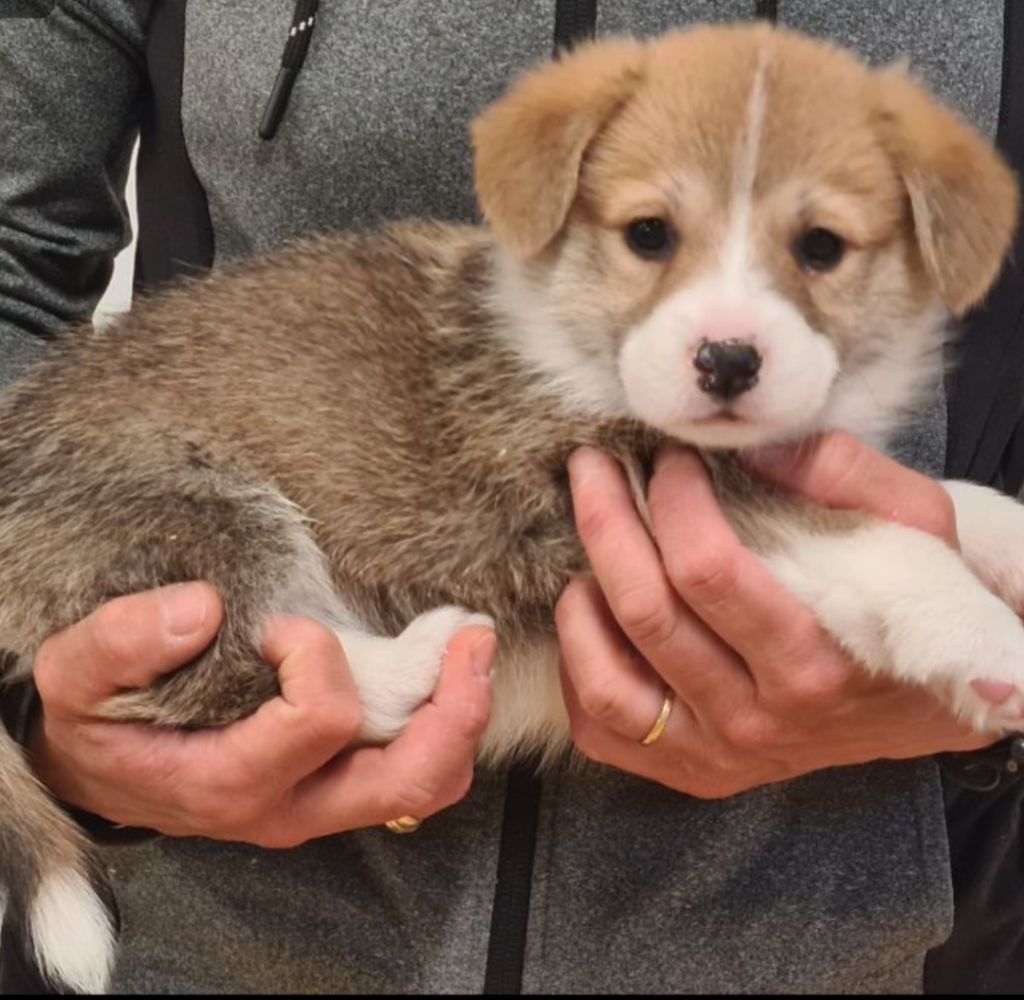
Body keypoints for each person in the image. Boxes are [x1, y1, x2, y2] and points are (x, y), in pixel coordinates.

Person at [0, 0, 1020, 993]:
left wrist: (984, 702)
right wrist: (49, 727)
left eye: (821, 248)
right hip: (225, 934)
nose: (730, 323)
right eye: (652, 234)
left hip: (823, 934)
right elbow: (16, 257)